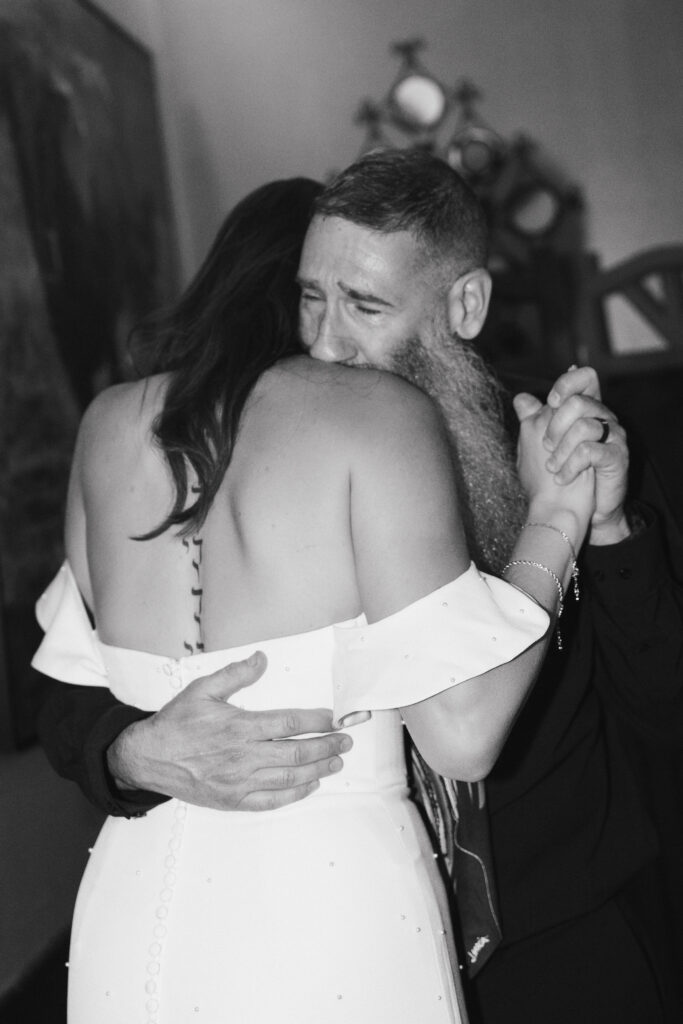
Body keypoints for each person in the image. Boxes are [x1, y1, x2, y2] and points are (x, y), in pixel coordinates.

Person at [33, 174, 592, 1023]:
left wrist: (133, 747)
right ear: (288, 286)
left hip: (130, 903)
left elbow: (74, 681)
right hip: (329, 909)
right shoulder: (377, 415)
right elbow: (464, 733)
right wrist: (553, 516)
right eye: (314, 296)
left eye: (361, 303)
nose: (329, 339)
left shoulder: (107, 426)